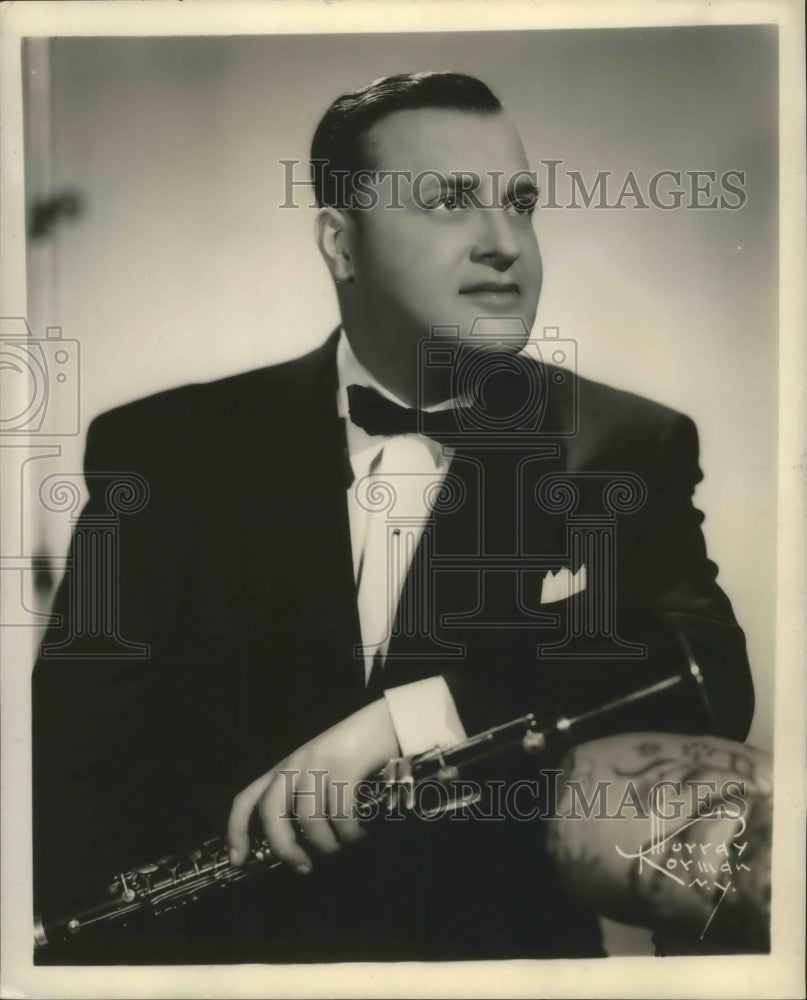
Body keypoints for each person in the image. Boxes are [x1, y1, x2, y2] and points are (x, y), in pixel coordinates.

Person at [32, 71, 754, 964]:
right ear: (340, 241)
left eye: (519, 202)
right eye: (450, 201)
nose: (504, 244)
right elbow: (66, 784)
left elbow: (706, 675)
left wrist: (414, 717)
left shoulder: (621, 444)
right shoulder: (165, 450)